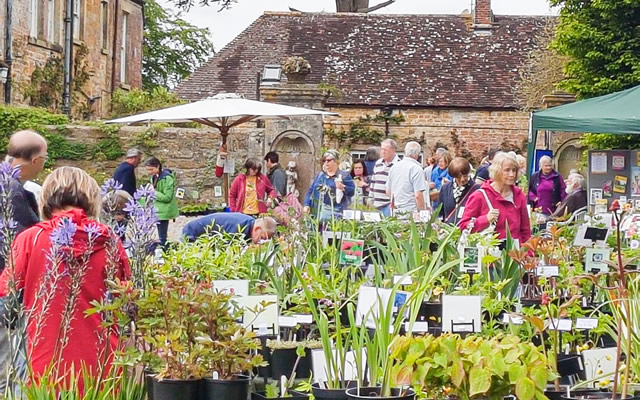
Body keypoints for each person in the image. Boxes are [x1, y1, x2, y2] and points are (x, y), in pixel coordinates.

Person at [0, 167, 130, 386]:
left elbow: (7, 289)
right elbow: (124, 292)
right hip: (101, 352)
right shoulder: (109, 240)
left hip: (47, 351)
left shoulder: (31, 238)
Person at [0, 130, 47, 393]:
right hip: (7, 286)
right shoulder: (11, 189)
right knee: (11, 366)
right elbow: (21, 243)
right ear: (36, 160)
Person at [459, 152, 531, 243]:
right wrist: (485, 219)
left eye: (514, 170)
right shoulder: (480, 196)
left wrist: (528, 253)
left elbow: (525, 230)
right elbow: (464, 226)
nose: (512, 174)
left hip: (515, 253)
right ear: (497, 171)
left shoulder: (519, 195)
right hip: (488, 253)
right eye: (507, 170)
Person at [304, 149, 355, 221]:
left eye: (328, 160)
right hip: (316, 214)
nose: (326, 163)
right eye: (324, 161)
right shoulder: (320, 175)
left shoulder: (344, 175)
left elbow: (352, 191)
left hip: (334, 215)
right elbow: (310, 191)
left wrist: (343, 188)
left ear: (336, 161)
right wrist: (306, 204)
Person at [145, 157, 179, 249]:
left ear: (158, 166)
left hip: (165, 210)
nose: (150, 172)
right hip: (157, 209)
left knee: (162, 236)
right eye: (148, 170)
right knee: (161, 235)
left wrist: (153, 192)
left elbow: (167, 197)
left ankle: (165, 252)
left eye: (151, 169)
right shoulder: (154, 177)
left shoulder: (167, 178)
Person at [387, 141, 427, 215]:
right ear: (417, 154)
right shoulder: (417, 169)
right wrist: (423, 212)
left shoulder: (394, 167)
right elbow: (418, 195)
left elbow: (388, 191)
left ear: (405, 152)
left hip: (396, 210)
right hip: (411, 211)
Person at [182, 212, 278, 243]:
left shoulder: (249, 223)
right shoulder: (238, 228)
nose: (259, 242)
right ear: (257, 229)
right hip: (192, 233)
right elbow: (227, 250)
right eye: (261, 238)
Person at [438, 157, 480, 224]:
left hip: (468, 231)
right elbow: (440, 213)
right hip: (448, 232)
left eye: (465, 175)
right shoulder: (445, 189)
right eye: (458, 177)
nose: (462, 179)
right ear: (453, 176)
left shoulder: (477, 189)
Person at [369, 139, 400, 217]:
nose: (383, 152)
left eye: (385, 150)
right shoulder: (378, 163)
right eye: (382, 149)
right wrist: (370, 198)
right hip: (376, 204)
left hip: (388, 204)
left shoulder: (398, 165)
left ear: (393, 150)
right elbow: (373, 182)